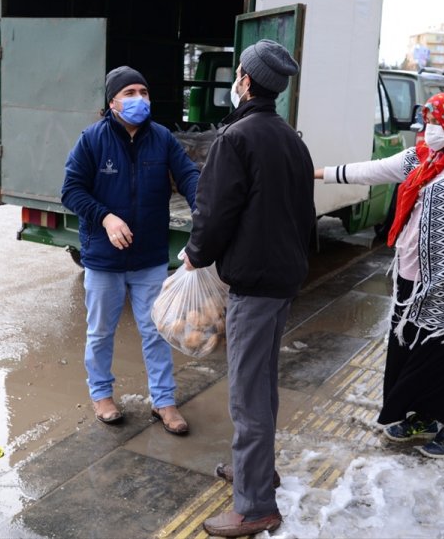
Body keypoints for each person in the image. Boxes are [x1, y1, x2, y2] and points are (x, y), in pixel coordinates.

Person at [315, 91, 444, 458]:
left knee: (441, 351)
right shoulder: (422, 156)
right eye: (427, 121)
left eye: (437, 122)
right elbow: (375, 169)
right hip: (412, 273)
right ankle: (421, 417)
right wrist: (320, 174)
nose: (429, 129)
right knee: (407, 347)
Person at [182, 39, 315, 537]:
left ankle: (256, 504)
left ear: (246, 80)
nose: (236, 79)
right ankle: (255, 471)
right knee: (260, 383)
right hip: (282, 278)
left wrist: (196, 254)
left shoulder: (237, 138)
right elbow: (303, 215)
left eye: (238, 72)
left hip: (255, 285)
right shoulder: (290, 138)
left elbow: (213, 212)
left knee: (248, 394)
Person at [62, 66, 199, 435]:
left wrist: (205, 207)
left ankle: (164, 401)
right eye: (130, 93)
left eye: (144, 92)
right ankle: (102, 395)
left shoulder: (162, 139)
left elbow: (188, 176)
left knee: (156, 331)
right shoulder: (92, 140)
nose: (140, 99)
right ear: (113, 101)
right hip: (104, 259)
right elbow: (71, 190)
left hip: (149, 257)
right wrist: (105, 218)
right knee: (100, 332)